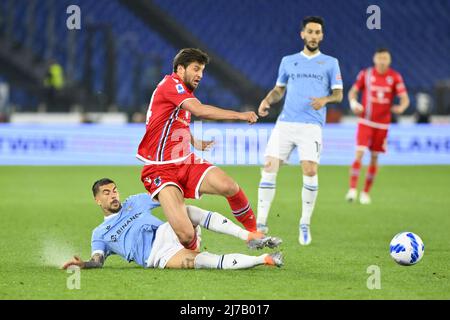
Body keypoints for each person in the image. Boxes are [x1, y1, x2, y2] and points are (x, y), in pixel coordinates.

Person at [137, 48, 260, 252]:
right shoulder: (171, 84)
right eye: (195, 69)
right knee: (186, 235)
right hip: (160, 169)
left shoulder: (182, 91)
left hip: (185, 160)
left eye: (202, 70)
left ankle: (254, 235)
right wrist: (240, 115)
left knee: (229, 186)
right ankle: (194, 252)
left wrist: (193, 140)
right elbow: (200, 111)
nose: (200, 75)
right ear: (180, 68)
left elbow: (173, 120)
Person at [62, 179, 282, 270]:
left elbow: (168, 196)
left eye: (115, 190)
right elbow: (98, 260)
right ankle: (263, 259)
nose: (113, 195)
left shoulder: (135, 202)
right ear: (97, 200)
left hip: (168, 232)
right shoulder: (99, 233)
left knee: (186, 211)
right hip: (158, 255)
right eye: (106, 193)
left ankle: (248, 236)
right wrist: (83, 265)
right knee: (202, 261)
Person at [256, 16, 343, 245]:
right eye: (310, 32)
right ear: (302, 34)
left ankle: (304, 222)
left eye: (318, 32)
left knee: (310, 171)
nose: (314, 36)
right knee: (269, 166)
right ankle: (261, 223)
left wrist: (325, 99)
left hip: (311, 125)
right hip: (285, 123)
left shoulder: (330, 63)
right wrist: (267, 100)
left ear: (322, 36)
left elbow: (339, 94)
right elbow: (279, 89)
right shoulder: (288, 61)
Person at [346, 48, 409, 204]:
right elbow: (352, 92)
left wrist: (401, 108)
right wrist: (354, 103)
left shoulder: (394, 77)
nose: (382, 61)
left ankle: (366, 193)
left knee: (374, 158)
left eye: (385, 58)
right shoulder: (366, 74)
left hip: (382, 125)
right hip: (365, 121)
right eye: (379, 58)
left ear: (389, 60)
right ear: (375, 59)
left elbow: (405, 99)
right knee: (359, 154)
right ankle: (352, 190)